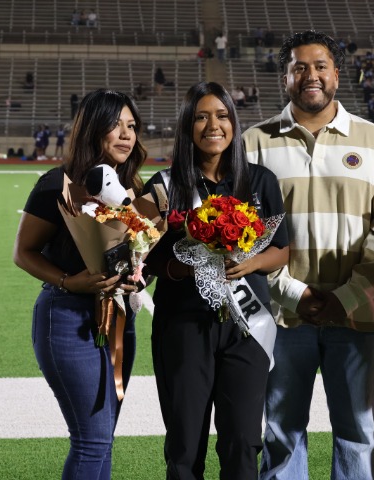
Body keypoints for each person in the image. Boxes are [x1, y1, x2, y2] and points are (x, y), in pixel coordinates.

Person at [243, 30, 374, 480]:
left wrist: (347, 296)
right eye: (299, 67)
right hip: (279, 317)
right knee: (281, 432)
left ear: (336, 75)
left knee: (358, 433)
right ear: (285, 77)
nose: (310, 75)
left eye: (320, 66)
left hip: (354, 316)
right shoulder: (253, 143)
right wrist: (294, 294)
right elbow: (243, 237)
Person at [142, 81, 289, 479]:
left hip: (246, 325)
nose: (213, 126)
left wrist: (252, 263)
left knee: (242, 441)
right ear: (187, 125)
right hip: (183, 324)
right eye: (201, 117)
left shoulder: (260, 181)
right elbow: (147, 260)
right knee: (185, 444)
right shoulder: (164, 186)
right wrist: (186, 267)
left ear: (234, 123)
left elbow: (283, 249)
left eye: (222, 116)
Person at [12, 89, 147, 479]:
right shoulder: (58, 183)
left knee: (103, 438)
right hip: (67, 317)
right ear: (93, 128)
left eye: (132, 126)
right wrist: (70, 281)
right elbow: (23, 252)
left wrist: (137, 277)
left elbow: (138, 256)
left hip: (119, 318)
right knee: (92, 441)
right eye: (115, 125)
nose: (126, 134)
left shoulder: (133, 185)